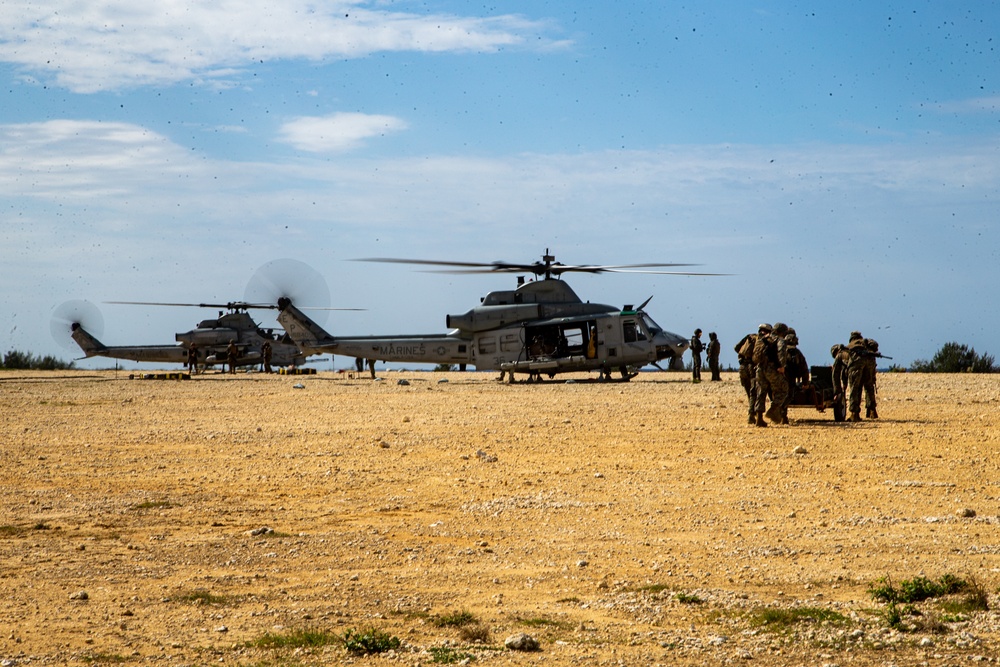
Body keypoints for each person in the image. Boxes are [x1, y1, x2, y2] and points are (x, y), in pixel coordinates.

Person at [753, 322, 788, 426]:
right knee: (783, 389)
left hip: (759, 368)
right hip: (772, 369)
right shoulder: (780, 340)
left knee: (761, 392)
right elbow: (781, 353)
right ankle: (773, 410)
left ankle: (759, 419)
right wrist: (781, 367)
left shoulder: (763, 338)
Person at [734, 331, 758, 424]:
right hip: (752, 367)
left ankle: (751, 411)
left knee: (749, 392)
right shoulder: (761, 340)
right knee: (754, 392)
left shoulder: (749, 337)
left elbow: (736, 348)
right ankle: (752, 414)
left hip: (742, 367)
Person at [846, 331, 866, 422]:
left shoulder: (850, 347)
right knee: (860, 389)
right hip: (866, 368)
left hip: (854, 369)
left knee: (854, 389)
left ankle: (854, 413)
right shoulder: (864, 345)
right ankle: (871, 411)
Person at [831, 343, 850, 418]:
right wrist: (845, 384)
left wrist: (837, 392)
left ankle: (854, 415)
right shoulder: (849, 352)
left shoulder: (840, 355)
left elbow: (836, 373)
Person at [863, 338, 879, 418]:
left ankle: (856, 413)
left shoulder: (863, 353)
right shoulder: (871, 355)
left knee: (859, 390)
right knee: (869, 389)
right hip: (869, 374)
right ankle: (871, 410)